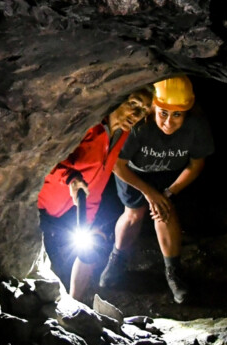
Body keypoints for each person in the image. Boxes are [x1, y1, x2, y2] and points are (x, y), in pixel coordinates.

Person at [99, 76, 214, 304]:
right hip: (133, 173)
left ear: (187, 112)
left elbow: (196, 164)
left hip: (168, 174)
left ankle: (173, 273)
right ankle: (117, 261)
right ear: (153, 108)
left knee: (165, 211)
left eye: (177, 114)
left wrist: (168, 193)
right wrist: (149, 193)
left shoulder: (196, 127)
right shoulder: (139, 124)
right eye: (163, 113)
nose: (169, 122)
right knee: (134, 212)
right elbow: (117, 165)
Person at [33, 88, 152, 303]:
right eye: (134, 104)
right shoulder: (89, 127)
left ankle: (74, 305)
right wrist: (70, 178)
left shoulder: (122, 134)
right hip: (44, 202)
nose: (137, 115)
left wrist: (88, 219)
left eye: (144, 110)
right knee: (39, 259)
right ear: (118, 98)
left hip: (78, 205)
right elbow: (44, 161)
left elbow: (98, 181)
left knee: (92, 246)